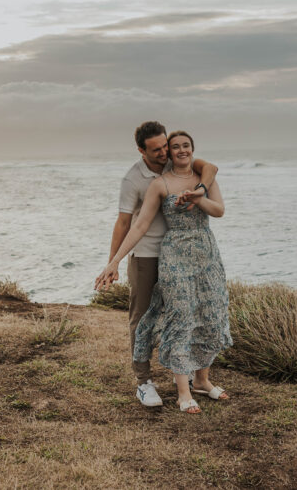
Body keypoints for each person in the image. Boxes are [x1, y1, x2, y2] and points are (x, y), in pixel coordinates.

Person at [98, 130, 231, 414]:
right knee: (174, 317)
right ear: (148, 151)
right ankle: (160, 385)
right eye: (171, 148)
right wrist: (114, 261)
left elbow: (218, 206)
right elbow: (135, 224)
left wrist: (199, 196)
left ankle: (201, 380)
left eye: (185, 146)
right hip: (165, 254)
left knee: (209, 312)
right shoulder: (148, 182)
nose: (174, 151)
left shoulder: (201, 172)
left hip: (206, 252)